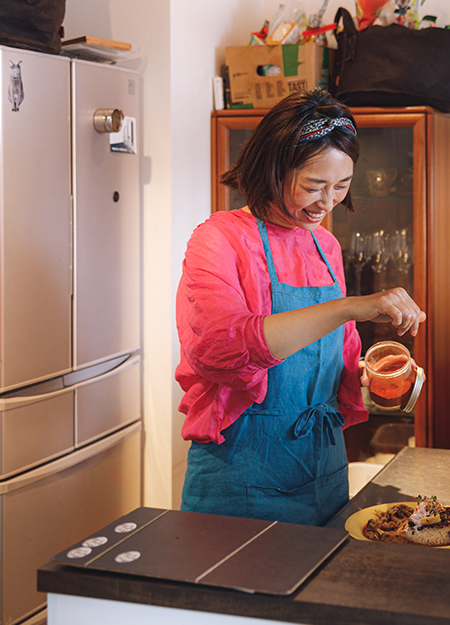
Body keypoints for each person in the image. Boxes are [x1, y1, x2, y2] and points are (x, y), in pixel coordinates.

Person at [176, 89, 425, 526]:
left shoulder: (325, 245)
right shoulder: (220, 239)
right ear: (274, 169)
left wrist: (373, 375)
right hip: (244, 475)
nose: (328, 202)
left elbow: (337, 358)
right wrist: (349, 308)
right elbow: (219, 349)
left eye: (342, 186)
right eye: (315, 185)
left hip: (324, 471)